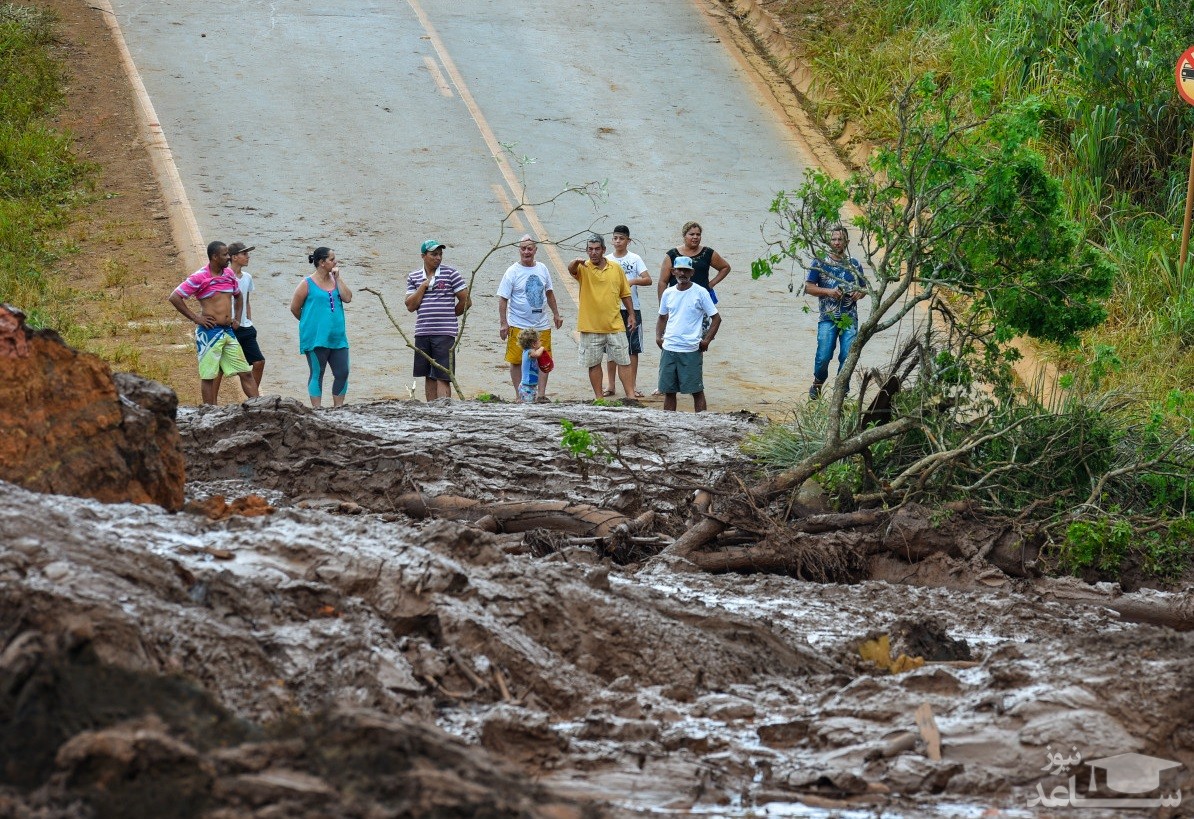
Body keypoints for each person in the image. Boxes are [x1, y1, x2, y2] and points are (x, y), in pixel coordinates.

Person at [168, 240, 260, 405]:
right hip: (210, 333)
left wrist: (237, 319)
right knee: (209, 376)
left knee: (245, 371)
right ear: (214, 257)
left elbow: (238, 296)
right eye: (225, 255)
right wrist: (196, 318)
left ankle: (260, 408)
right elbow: (175, 297)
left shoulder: (229, 274)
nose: (228, 258)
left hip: (228, 331)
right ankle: (210, 413)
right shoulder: (199, 277)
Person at [568, 233, 636, 401]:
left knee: (624, 360)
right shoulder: (582, 268)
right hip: (590, 326)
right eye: (590, 249)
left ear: (604, 250)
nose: (593, 253)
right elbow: (571, 270)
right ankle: (599, 398)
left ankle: (631, 396)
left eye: (597, 249)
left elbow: (625, 293)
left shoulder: (616, 268)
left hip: (615, 324)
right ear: (587, 251)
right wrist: (576, 261)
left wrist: (632, 315)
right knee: (594, 363)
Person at [497, 235, 562, 403]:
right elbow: (503, 298)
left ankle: (540, 395)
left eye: (530, 248)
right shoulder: (512, 271)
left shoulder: (542, 268)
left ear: (535, 250)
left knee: (543, 358)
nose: (526, 251)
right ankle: (520, 395)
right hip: (519, 324)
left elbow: (549, 293)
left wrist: (556, 314)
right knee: (517, 360)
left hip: (541, 324)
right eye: (523, 248)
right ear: (519, 250)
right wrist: (504, 324)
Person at [804, 224, 867, 399]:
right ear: (829, 241)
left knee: (847, 356)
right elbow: (808, 288)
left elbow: (864, 288)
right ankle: (818, 382)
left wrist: (859, 293)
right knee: (824, 355)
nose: (837, 242)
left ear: (847, 241)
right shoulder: (820, 262)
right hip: (827, 316)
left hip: (849, 317)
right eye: (834, 239)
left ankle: (841, 392)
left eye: (840, 239)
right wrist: (829, 292)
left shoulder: (854, 264)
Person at [406, 239, 470, 402]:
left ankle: (444, 410)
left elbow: (466, 300)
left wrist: (450, 315)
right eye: (434, 254)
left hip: (444, 333)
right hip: (422, 332)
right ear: (423, 256)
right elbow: (410, 305)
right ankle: (431, 411)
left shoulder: (451, 273)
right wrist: (423, 287)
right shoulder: (414, 277)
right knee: (428, 375)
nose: (438, 258)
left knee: (443, 375)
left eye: (440, 254)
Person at [289, 246, 352, 408]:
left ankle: (338, 408)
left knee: (342, 372)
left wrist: (338, 279)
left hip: (337, 337)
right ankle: (317, 410)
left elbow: (348, 298)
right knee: (318, 373)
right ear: (322, 262)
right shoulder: (307, 283)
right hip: (316, 338)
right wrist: (309, 323)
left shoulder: (335, 280)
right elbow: (295, 308)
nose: (335, 262)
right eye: (332, 259)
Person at [656, 255, 720, 412]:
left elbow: (716, 318)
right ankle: (668, 425)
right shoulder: (668, 293)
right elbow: (662, 317)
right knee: (669, 391)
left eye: (686, 270)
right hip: (670, 348)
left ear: (692, 272)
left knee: (696, 391)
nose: (682, 274)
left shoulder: (701, 292)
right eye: (679, 270)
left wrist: (706, 340)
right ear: (673, 272)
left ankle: (702, 423)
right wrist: (658, 337)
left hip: (691, 349)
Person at [604, 224, 651, 398]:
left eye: (622, 238)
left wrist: (632, 281)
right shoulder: (607, 259)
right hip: (612, 309)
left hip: (632, 308)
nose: (618, 241)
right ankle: (610, 385)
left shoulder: (635, 259)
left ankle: (632, 385)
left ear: (628, 241)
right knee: (610, 348)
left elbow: (648, 279)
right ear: (612, 239)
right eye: (615, 238)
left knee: (633, 348)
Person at [212, 241, 264, 399]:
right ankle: (211, 404)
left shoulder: (247, 277)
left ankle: (253, 400)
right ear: (234, 257)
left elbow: (246, 301)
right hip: (226, 327)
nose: (248, 257)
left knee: (259, 362)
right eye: (244, 254)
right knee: (219, 369)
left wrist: (248, 320)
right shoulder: (222, 276)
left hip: (245, 327)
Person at [516, 328, 552, 404]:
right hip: (526, 386)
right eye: (539, 341)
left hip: (530, 385)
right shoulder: (530, 351)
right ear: (533, 343)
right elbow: (537, 354)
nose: (540, 342)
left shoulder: (527, 351)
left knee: (530, 402)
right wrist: (542, 348)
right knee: (529, 404)